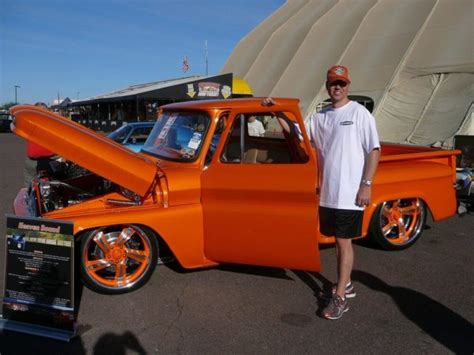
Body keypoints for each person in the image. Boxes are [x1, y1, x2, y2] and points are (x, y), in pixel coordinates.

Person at [263, 65, 380, 320]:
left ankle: (339, 297)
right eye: (333, 84)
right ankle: (345, 283)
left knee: (343, 242)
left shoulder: (360, 114)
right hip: (327, 192)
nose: (337, 87)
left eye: (342, 83)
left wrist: (366, 185)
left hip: (350, 192)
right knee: (337, 242)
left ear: (348, 86)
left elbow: (373, 150)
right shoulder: (321, 116)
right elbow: (298, 135)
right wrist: (277, 112)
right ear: (327, 87)